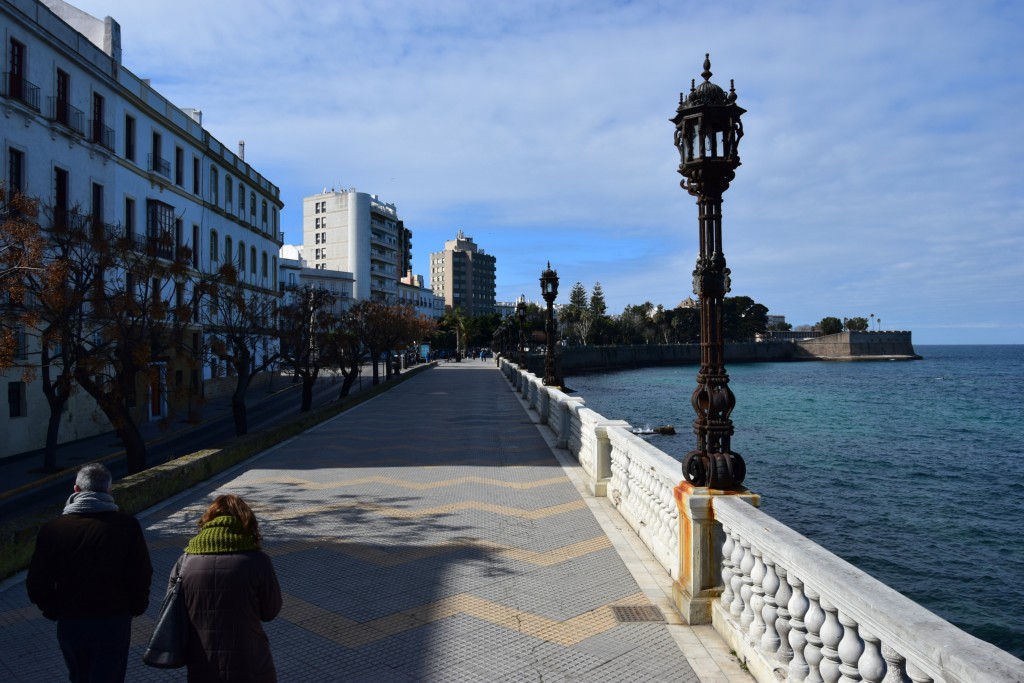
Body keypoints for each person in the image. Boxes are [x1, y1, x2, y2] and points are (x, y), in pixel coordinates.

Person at [27, 462, 153, 683]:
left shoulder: (53, 529)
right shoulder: (127, 526)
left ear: (76, 489)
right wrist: (135, 607)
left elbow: (37, 581)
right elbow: (141, 573)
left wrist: (53, 609)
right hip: (113, 618)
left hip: (71, 620)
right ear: (109, 490)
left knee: (79, 676)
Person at [173, 494, 282, 682]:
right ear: (246, 522)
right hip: (250, 661)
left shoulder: (184, 562)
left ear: (208, 520)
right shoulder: (258, 561)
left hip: (201, 661)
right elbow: (270, 612)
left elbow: (175, 610)